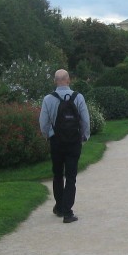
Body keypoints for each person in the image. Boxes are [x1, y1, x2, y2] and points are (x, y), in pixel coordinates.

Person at [38, 69, 91, 223]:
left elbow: (43, 123)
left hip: (56, 141)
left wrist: (48, 135)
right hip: (73, 141)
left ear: (55, 81)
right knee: (71, 176)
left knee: (57, 174)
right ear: (69, 80)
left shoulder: (48, 99)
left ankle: (59, 207)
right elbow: (85, 120)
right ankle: (68, 212)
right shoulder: (78, 97)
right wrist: (84, 136)